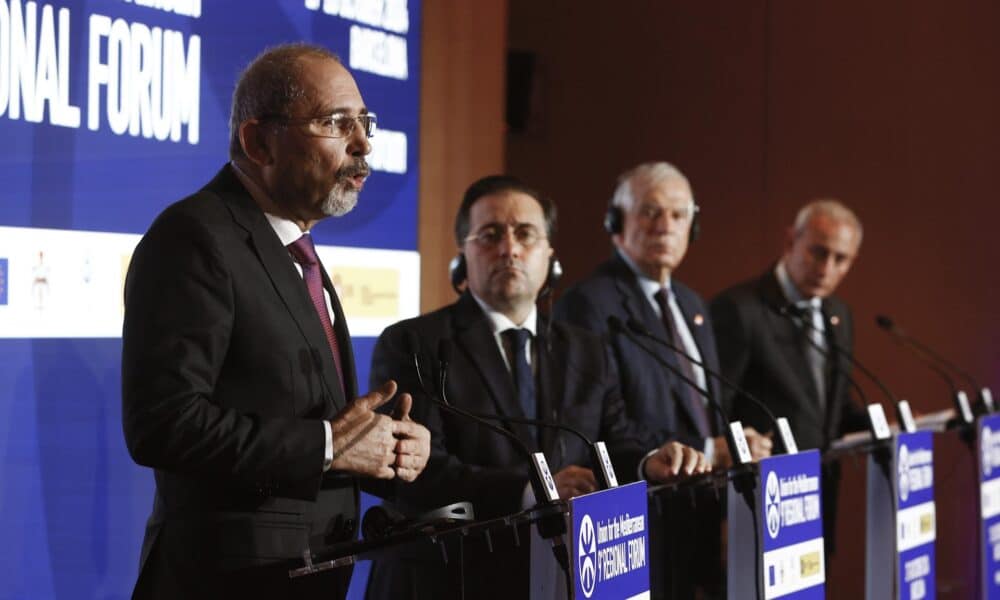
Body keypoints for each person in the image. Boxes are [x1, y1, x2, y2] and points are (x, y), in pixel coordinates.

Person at [121, 43, 430, 600]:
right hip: (224, 582)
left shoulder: (294, 248)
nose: (362, 143)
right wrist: (329, 447)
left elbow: (293, 416)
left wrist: (381, 446)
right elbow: (163, 423)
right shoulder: (194, 237)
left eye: (364, 122)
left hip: (307, 573)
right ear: (259, 141)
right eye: (336, 123)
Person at [365, 175, 710, 599]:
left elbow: (613, 442)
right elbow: (415, 472)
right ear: (463, 253)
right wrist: (530, 491)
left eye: (525, 234)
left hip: (561, 577)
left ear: (550, 254)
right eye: (490, 235)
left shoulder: (586, 350)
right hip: (452, 579)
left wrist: (649, 461)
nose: (509, 249)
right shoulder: (414, 344)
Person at [554, 161, 771, 597]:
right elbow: (598, 425)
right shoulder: (589, 304)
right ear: (616, 223)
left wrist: (735, 443)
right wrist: (710, 450)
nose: (665, 226)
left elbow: (703, 406)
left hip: (700, 515)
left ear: (694, 226)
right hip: (637, 526)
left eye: (678, 214)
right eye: (650, 212)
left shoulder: (692, 304)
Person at [709, 199, 868, 551]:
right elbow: (712, 413)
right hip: (757, 501)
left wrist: (882, 427)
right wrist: (722, 511)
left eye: (840, 259)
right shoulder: (739, 310)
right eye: (817, 252)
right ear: (790, 241)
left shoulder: (838, 314)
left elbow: (830, 408)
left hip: (816, 495)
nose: (826, 268)